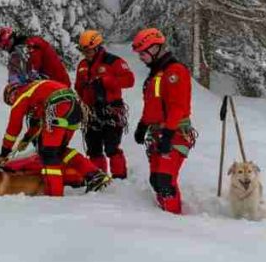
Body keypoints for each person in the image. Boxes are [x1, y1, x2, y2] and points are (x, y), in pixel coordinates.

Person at [0, 78, 109, 196]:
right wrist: (26, 139)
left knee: (48, 154)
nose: (12, 104)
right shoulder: (37, 90)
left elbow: (13, 129)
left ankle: (55, 194)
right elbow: (36, 123)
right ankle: (93, 174)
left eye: (10, 102)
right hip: (75, 108)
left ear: (12, 94)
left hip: (58, 107)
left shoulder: (21, 95)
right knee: (59, 151)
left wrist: (4, 153)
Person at [131, 28, 194, 214]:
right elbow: (153, 106)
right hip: (157, 133)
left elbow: (177, 106)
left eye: (143, 53)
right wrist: (143, 125)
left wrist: (168, 134)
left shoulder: (174, 71)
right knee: (156, 180)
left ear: (155, 49)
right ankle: (163, 216)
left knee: (165, 181)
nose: (141, 57)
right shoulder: (155, 75)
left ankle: (173, 220)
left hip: (174, 133)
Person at [74, 30, 135, 179]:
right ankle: (98, 178)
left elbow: (129, 80)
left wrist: (107, 81)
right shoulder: (82, 65)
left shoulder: (113, 61)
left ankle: (120, 179)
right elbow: (78, 87)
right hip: (90, 111)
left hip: (111, 110)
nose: (85, 53)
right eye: (83, 50)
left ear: (97, 47)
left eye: (88, 50)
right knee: (93, 148)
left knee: (112, 147)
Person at [0, 26, 70, 86]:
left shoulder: (31, 45)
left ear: (11, 39)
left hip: (59, 86)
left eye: (6, 46)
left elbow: (32, 71)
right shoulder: (21, 50)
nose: (6, 49)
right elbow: (17, 71)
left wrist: (23, 81)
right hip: (51, 85)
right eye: (4, 48)